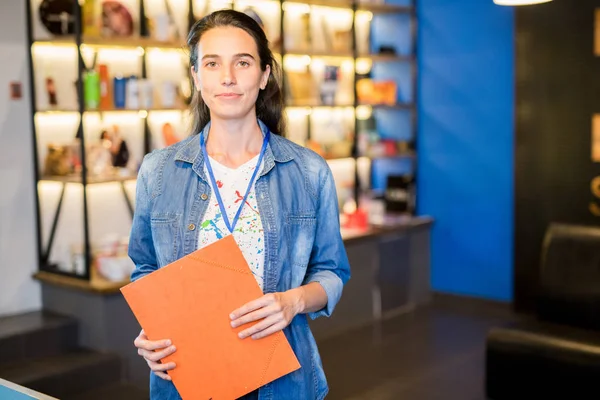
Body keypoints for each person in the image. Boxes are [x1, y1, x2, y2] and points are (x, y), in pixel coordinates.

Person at [129, 9, 351, 400]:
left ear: (264, 75)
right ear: (196, 76)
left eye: (242, 62)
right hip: (185, 375)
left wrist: (292, 301)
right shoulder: (158, 171)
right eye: (212, 64)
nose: (227, 77)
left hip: (282, 381)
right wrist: (151, 331)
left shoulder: (308, 171)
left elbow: (332, 272)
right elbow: (145, 269)